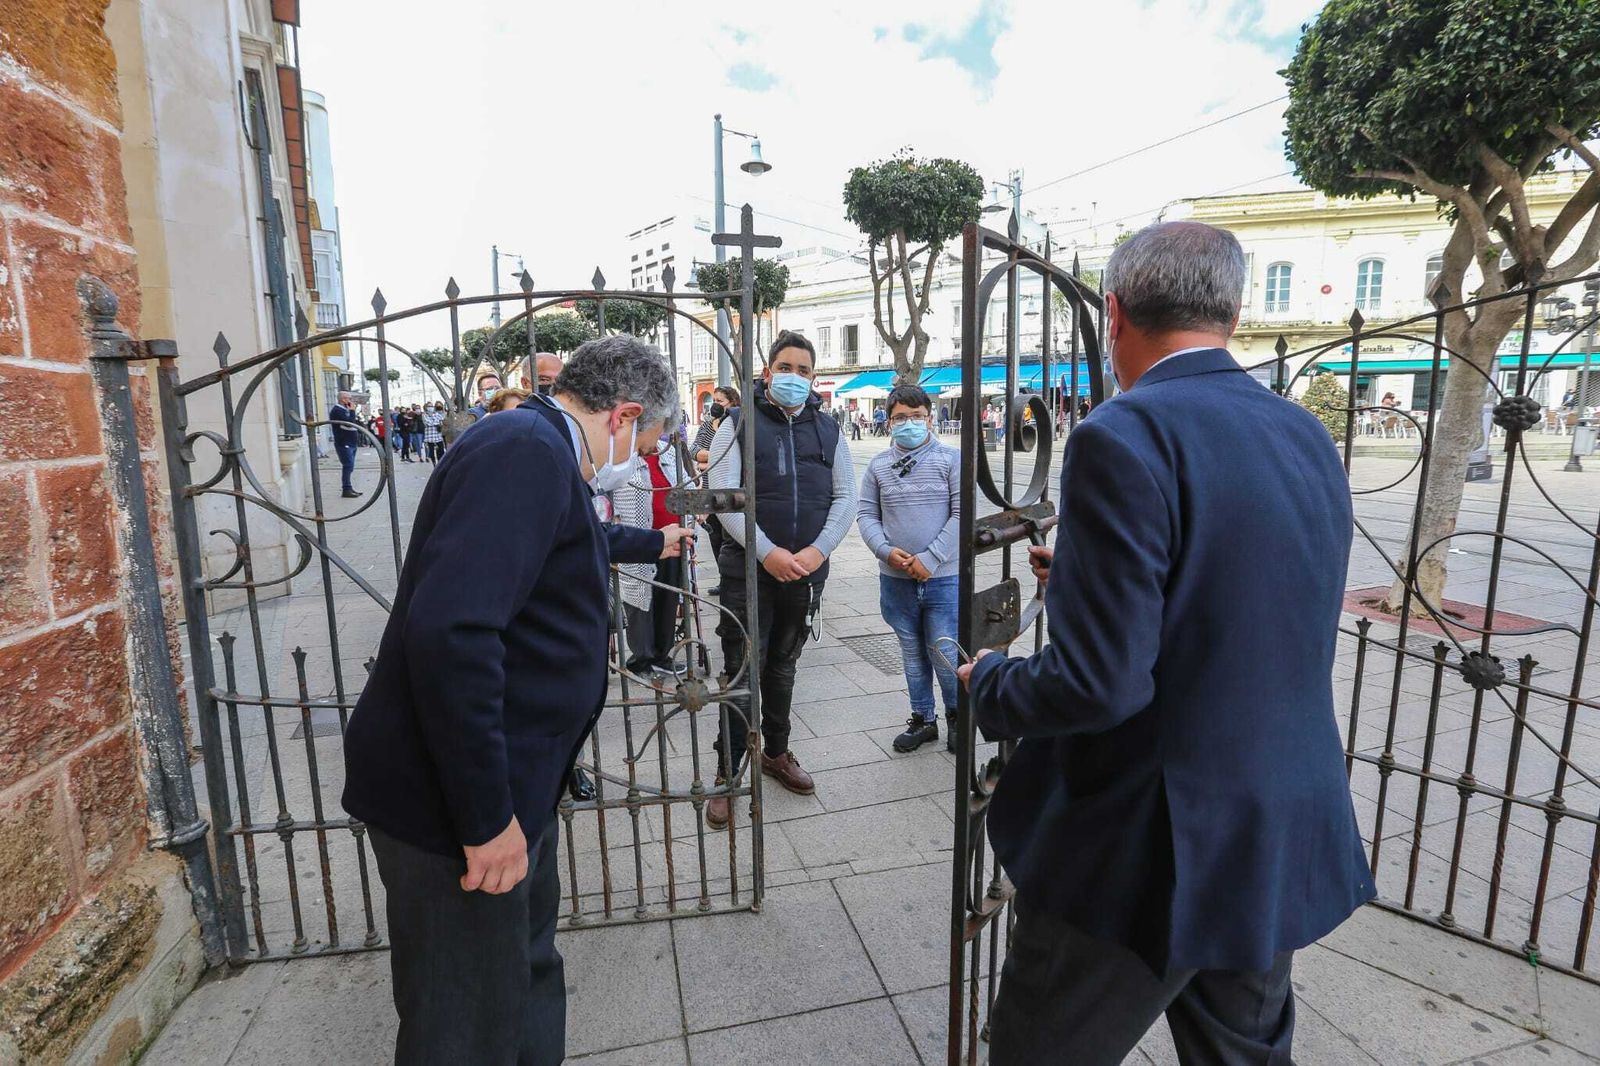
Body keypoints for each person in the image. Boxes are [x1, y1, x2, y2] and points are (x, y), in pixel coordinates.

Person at [956, 221, 1372, 1064]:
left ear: (1113, 312)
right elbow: (1241, 594)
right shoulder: (1303, 433)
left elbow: (1099, 685)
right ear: (1233, 308)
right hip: (1271, 826)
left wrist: (992, 680)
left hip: (1148, 844)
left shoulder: (1122, 432)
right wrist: (1078, 576)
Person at [342, 336, 687, 1065]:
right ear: (624, 415)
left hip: (514, 786)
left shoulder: (537, 448)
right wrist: (486, 816)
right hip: (457, 806)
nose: (642, 453)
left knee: (520, 981)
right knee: (465, 1021)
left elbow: (567, 542)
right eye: (650, 438)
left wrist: (651, 544)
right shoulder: (524, 451)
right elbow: (453, 633)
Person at [705, 330, 856, 827]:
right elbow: (723, 495)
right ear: (768, 372)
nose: (794, 377)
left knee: (783, 665)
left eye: (804, 370)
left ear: (815, 378)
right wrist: (767, 553)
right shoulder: (737, 422)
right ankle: (728, 774)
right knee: (743, 666)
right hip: (748, 568)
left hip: (806, 570)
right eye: (785, 368)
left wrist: (816, 552)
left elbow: (845, 498)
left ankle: (777, 751)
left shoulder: (829, 429)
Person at [857, 383, 959, 753]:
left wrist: (930, 559)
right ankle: (923, 718)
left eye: (917, 417)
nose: (910, 424)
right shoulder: (878, 466)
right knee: (912, 652)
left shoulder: (951, 460)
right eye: (901, 418)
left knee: (945, 650)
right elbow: (866, 514)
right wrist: (885, 551)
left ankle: (956, 715)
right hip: (896, 580)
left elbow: (962, 515)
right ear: (889, 422)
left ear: (930, 419)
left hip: (944, 579)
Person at [614, 436, 685, 680]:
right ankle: (641, 659)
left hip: (673, 542)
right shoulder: (621, 456)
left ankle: (662, 655)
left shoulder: (669, 453)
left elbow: (688, 486)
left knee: (668, 597)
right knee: (639, 599)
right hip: (637, 541)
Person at [692, 385, 741, 597]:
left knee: (730, 537)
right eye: (715, 400)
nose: (715, 405)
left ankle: (734, 580)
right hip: (708, 489)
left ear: (732, 403)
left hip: (728, 490)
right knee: (714, 537)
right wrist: (713, 457)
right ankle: (724, 579)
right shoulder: (706, 426)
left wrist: (707, 460)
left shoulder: (735, 424)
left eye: (720, 401)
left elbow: (734, 455)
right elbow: (694, 451)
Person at [327, 391, 362, 498]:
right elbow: (349, 422)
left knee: (350, 466)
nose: (351, 401)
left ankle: (349, 487)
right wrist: (352, 410)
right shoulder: (337, 410)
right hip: (344, 442)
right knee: (347, 465)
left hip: (351, 442)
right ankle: (346, 489)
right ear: (343, 399)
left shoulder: (344, 409)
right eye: (349, 399)